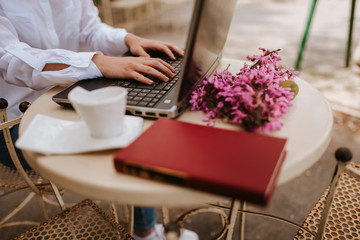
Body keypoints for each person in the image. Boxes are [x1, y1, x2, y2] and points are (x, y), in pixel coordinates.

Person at [0, 1, 198, 240]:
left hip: (70, 95)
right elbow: (8, 57)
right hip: (14, 123)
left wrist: (128, 39)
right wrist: (97, 63)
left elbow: (90, 29)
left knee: (148, 107)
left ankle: (147, 218)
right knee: (126, 136)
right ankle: (146, 232)